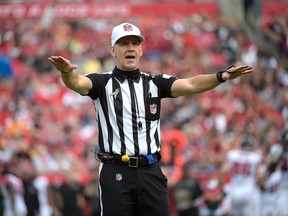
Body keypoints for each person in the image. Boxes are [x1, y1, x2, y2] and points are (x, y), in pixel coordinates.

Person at [48, 22, 253, 216]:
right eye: (124, 43)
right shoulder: (102, 82)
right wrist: (66, 73)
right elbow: (77, 83)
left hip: (150, 170)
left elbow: (190, 85)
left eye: (135, 43)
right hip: (116, 169)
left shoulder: (155, 82)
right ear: (113, 50)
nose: (131, 48)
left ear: (141, 50)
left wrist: (220, 77)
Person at [222, 136, 263, 216]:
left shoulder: (233, 154)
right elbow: (260, 176)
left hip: (234, 191)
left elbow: (223, 171)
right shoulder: (255, 157)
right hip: (249, 191)